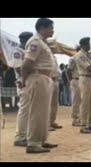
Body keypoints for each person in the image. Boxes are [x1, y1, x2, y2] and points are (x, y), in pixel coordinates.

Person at [21, 18, 58, 153]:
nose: (53, 30)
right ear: (42, 28)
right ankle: (33, 143)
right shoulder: (35, 42)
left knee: (44, 112)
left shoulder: (43, 43)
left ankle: (41, 140)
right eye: (51, 28)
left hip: (44, 78)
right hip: (37, 78)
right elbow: (27, 64)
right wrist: (24, 81)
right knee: (37, 112)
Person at [13, 31, 33, 147]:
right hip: (23, 82)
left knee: (29, 111)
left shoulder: (27, 51)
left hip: (30, 81)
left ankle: (25, 135)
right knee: (24, 110)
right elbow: (17, 68)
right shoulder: (18, 51)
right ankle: (20, 137)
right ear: (24, 40)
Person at [49, 50, 62, 130]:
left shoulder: (54, 57)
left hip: (56, 80)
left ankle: (52, 121)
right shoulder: (45, 55)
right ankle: (47, 124)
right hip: (49, 79)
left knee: (54, 104)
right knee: (48, 104)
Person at [68, 46, 81, 126]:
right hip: (75, 80)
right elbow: (69, 70)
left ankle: (80, 118)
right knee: (76, 100)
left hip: (81, 80)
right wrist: (71, 80)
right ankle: (75, 119)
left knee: (81, 101)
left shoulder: (83, 58)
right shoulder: (73, 59)